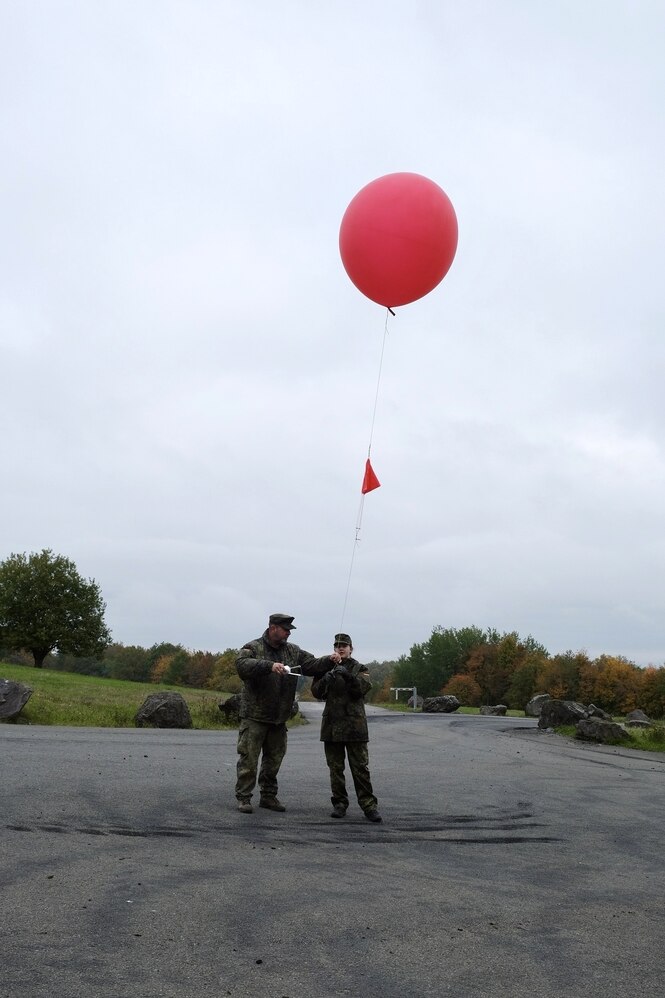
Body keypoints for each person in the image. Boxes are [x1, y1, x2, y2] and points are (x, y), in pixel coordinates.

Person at [234, 612, 340, 814]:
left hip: (279, 717)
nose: (288, 635)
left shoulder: (293, 651)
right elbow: (242, 666)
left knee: (274, 760)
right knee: (248, 759)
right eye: (285, 630)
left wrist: (329, 660)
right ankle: (244, 798)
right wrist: (269, 666)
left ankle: (268, 796)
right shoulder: (253, 647)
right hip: (255, 716)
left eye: (289, 631)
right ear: (273, 627)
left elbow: (311, 665)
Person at [311, 632, 382, 822]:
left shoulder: (360, 668)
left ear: (351, 648)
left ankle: (369, 806)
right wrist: (327, 677)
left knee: (360, 768)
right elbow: (317, 692)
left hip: (354, 726)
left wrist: (348, 677)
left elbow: (362, 689)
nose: (340, 648)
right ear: (334, 648)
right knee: (335, 769)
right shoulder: (326, 667)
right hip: (332, 726)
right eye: (337, 645)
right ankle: (340, 804)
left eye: (344, 645)